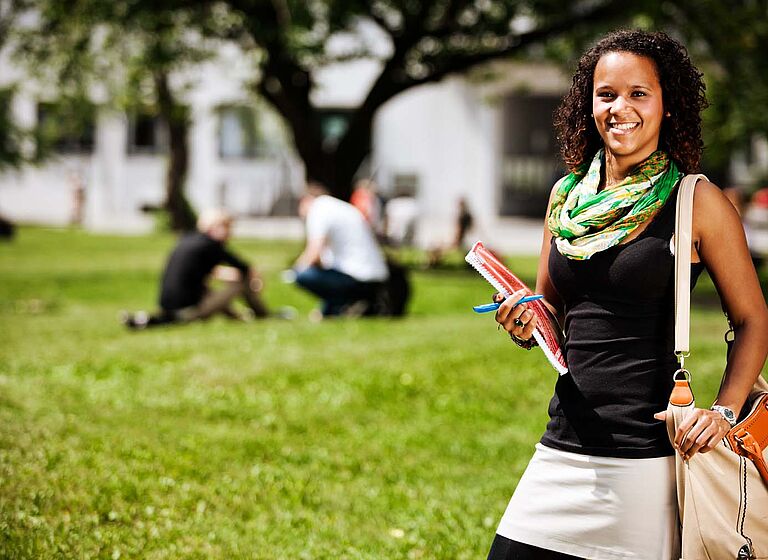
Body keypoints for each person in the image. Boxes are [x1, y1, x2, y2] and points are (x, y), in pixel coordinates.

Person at [486, 30, 768, 560]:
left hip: (648, 460)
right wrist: (525, 321)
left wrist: (724, 413)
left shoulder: (697, 202)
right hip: (564, 442)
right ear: (588, 104)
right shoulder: (566, 197)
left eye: (639, 93)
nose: (621, 108)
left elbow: (753, 319)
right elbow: (552, 310)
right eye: (607, 94)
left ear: (667, 105)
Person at [122, 208, 272, 328]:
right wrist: (257, 282)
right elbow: (246, 269)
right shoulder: (212, 245)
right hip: (188, 312)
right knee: (241, 283)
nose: (230, 233)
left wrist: (232, 276)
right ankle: (263, 315)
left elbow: (213, 272)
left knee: (210, 290)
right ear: (215, 227)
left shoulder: (188, 240)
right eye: (227, 227)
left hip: (169, 310)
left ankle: (237, 317)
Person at [292, 182, 389, 318]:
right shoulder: (339, 207)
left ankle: (344, 304)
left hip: (357, 279)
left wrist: (292, 271)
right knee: (327, 277)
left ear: (305, 200)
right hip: (375, 278)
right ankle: (334, 310)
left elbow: (313, 253)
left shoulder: (318, 208)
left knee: (302, 274)